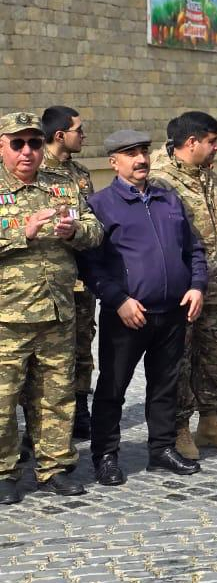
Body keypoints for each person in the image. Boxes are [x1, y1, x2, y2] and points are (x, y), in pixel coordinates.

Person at [81, 130, 207, 484]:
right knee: (113, 387)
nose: (140, 159)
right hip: (127, 315)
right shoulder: (101, 205)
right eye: (130, 153)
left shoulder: (168, 199)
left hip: (172, 312)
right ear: (113, 162)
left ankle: (162, 449)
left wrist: (197, 287)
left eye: (143, 151)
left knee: (165, 385)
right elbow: (90, 264)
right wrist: (118, 300)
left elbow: (194, 249)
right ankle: (105, 454)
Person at [0, 111, 102, 503]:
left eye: (35, 143)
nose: (28, 151)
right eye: (18, 143)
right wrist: (19, 232)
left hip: (58, 309)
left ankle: (54, 467)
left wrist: (75, 230)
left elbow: (96, 228)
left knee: (56, 394)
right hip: (8, 315)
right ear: (3, 147)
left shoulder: (62, 185)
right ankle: (4, 471)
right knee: (4, 398)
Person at [150, 111, 217, 459]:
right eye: (212, 141)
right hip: (185, 294)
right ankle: (179, 429)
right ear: (192, 143)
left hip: (216, 291)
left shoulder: (212, 180)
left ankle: (211, 421)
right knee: (181, 361)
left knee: (216, 358)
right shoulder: (162, 183)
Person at [37, 106, 96, 440]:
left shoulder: (82, 174)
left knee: (82, 345)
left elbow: (92, 220)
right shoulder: (35, 170)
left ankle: (79, 408)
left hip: (80, 278)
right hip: (45, 280)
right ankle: (39, 419)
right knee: (45, 354)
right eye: (79, 130)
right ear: (60, 135)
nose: (84, 135)